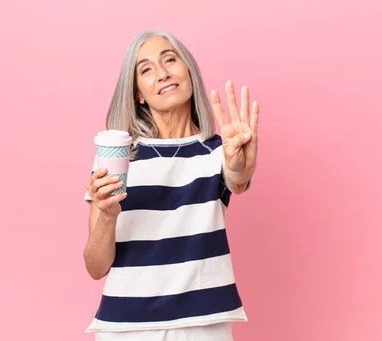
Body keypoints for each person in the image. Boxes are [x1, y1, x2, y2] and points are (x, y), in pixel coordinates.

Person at [82, 29, 259, 341]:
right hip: (127, 328)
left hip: (204, 325)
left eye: (170, 60)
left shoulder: (218, 151)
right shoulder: (118, 158)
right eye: (147, 69)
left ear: (187, 70)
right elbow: (96, 267)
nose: (162, 74)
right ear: (138, 92)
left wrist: (240, 165)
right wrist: (106, 214)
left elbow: (237, 175)